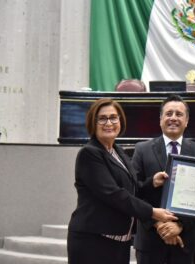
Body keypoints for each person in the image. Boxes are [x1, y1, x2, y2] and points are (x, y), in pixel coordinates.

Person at [67, 98, 177, 264]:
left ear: (120, 121)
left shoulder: (118, 151)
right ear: (93, 123)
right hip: (93, 242)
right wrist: (152, 212)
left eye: (113, 117)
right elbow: (113, 194)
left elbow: (131, 189)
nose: (109, 123)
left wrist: (152, 182)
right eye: (102, 118)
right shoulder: (89, 154)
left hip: (119, 241)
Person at [132, 94, 195, 264]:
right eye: (169, 113)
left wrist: (179, 226)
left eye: (179, 114)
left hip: (185, 239)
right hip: (150, 239)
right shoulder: (142, 149)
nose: (173, 118)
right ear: (160, 119)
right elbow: (133, 192)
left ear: (187, 121)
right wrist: (159, 225)